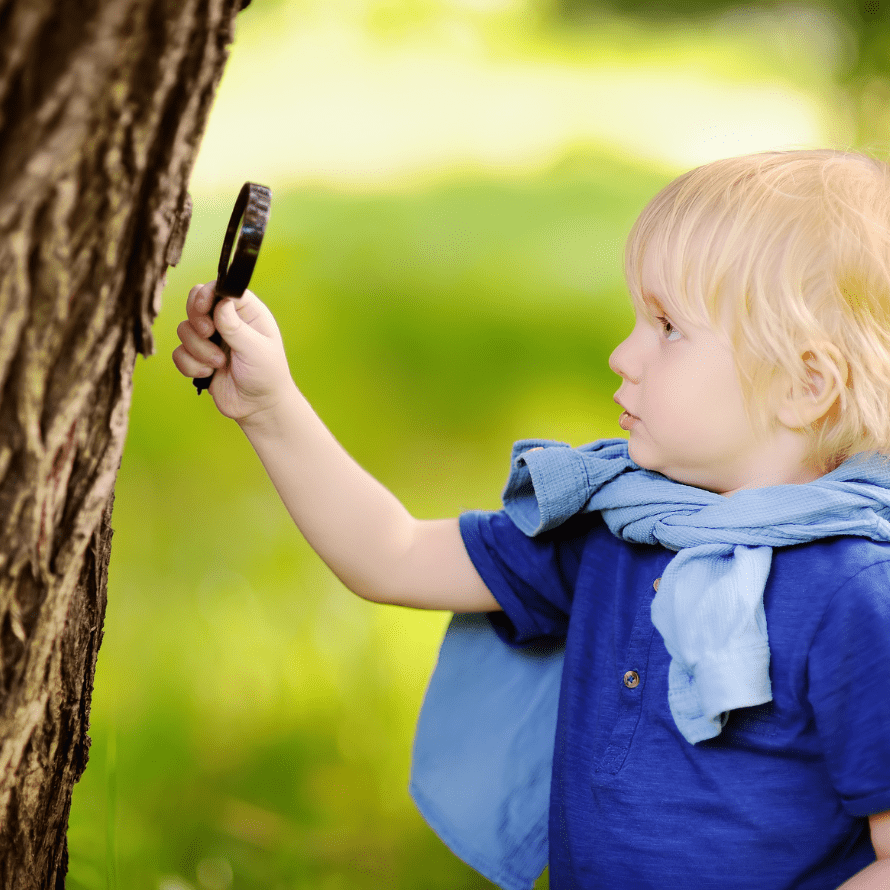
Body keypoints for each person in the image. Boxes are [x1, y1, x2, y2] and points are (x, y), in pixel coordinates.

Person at [173, 149, 890, 889]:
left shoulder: (859, 593)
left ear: (807, 384)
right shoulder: (617, 525)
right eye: (639, 319)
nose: (624, 354)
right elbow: (391, 556)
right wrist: (270, 405)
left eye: (668, 327)